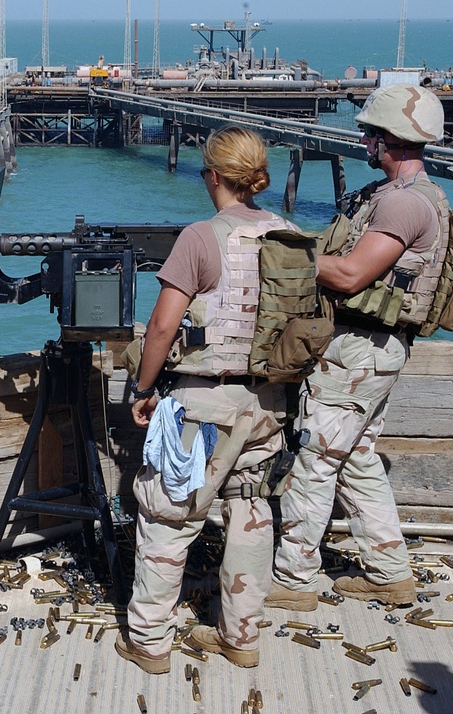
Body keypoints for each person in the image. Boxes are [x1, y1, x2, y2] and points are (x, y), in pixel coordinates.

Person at [116, 126, 302, 672]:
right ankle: (240, 638)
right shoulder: (288, 233)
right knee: (250, 512)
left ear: (215, 176)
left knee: (170, 514)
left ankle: (149, 643)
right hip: (269, 404)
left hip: (206, 405)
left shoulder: (201, 237)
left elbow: (160, 328)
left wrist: (144, 389)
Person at [267, 84, 449, 611]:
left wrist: (278, 247)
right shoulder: (417, 195)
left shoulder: (402, 205)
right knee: (357, 459)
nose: (363, 139)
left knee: (316, 461)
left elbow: (348, 276)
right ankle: (389, 571)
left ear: (391, 139)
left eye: (370, 132)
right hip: (373, 350)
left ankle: (294, 580)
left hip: (358, 352)